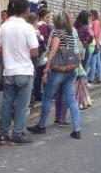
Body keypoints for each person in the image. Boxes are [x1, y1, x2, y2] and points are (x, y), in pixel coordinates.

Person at [28, 11, 82, 139]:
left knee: (47, 97)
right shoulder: (70, 32)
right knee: (71, 99)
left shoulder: (58, 33)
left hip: (58, 70)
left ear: (58, 21)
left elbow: (52, 52)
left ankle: (41, 126)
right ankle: (77, 129)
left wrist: (46, 70)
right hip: (71, 69)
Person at [0, 0, 39, 145]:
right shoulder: (28, 28)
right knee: (22, 105)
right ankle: (17, 133)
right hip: (25, 71)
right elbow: (34, 52)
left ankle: (3, 133)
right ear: (26, 11)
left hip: (9, 71)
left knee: (7, 103)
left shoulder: (4, 26)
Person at [32, 8, 52, 101]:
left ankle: (36, 94)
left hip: (36, 54)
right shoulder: (46, 27)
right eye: (47, 17)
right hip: (44, 54)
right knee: (44, 73)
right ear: (41, 17)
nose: (49, 19)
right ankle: (45, 93)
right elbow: (48, 41)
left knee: (37, 75)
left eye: (50, 17)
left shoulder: (35, 26)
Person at [87, 9, 101, 84]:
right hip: (98, 43)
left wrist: (96, 44)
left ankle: (92, 78)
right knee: (97, 61)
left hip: (95, 44)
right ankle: (98, 77)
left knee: (94, 62)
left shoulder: (95, 22)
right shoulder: (99, 22)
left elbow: (95, 34)